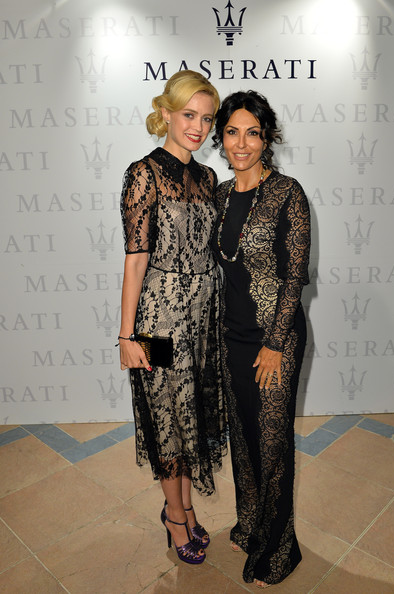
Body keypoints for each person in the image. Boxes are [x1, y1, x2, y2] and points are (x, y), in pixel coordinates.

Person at [117, 70, 227, 565]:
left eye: (207, 118)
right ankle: (176, 515)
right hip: (157, 320)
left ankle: (183, 506)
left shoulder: (208, 178)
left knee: (191, 417)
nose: (198, 127)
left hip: (202, 320)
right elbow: (136, 260)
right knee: (166, 419)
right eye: (189, 115)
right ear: (165, 113)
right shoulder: (143, 173)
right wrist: (127, 335)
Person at [211, 90, 310, 587]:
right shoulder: (220, 195)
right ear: (221, 137)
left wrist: (274, 344)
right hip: (232, 338)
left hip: (277, 339)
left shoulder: (288, 193)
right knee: (245, 439)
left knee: (272, 444)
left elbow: (294, 278)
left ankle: (279, 549)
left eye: (252, 133)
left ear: (266, 138)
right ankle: (250, 523)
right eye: (232, 132)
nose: (242, 143)